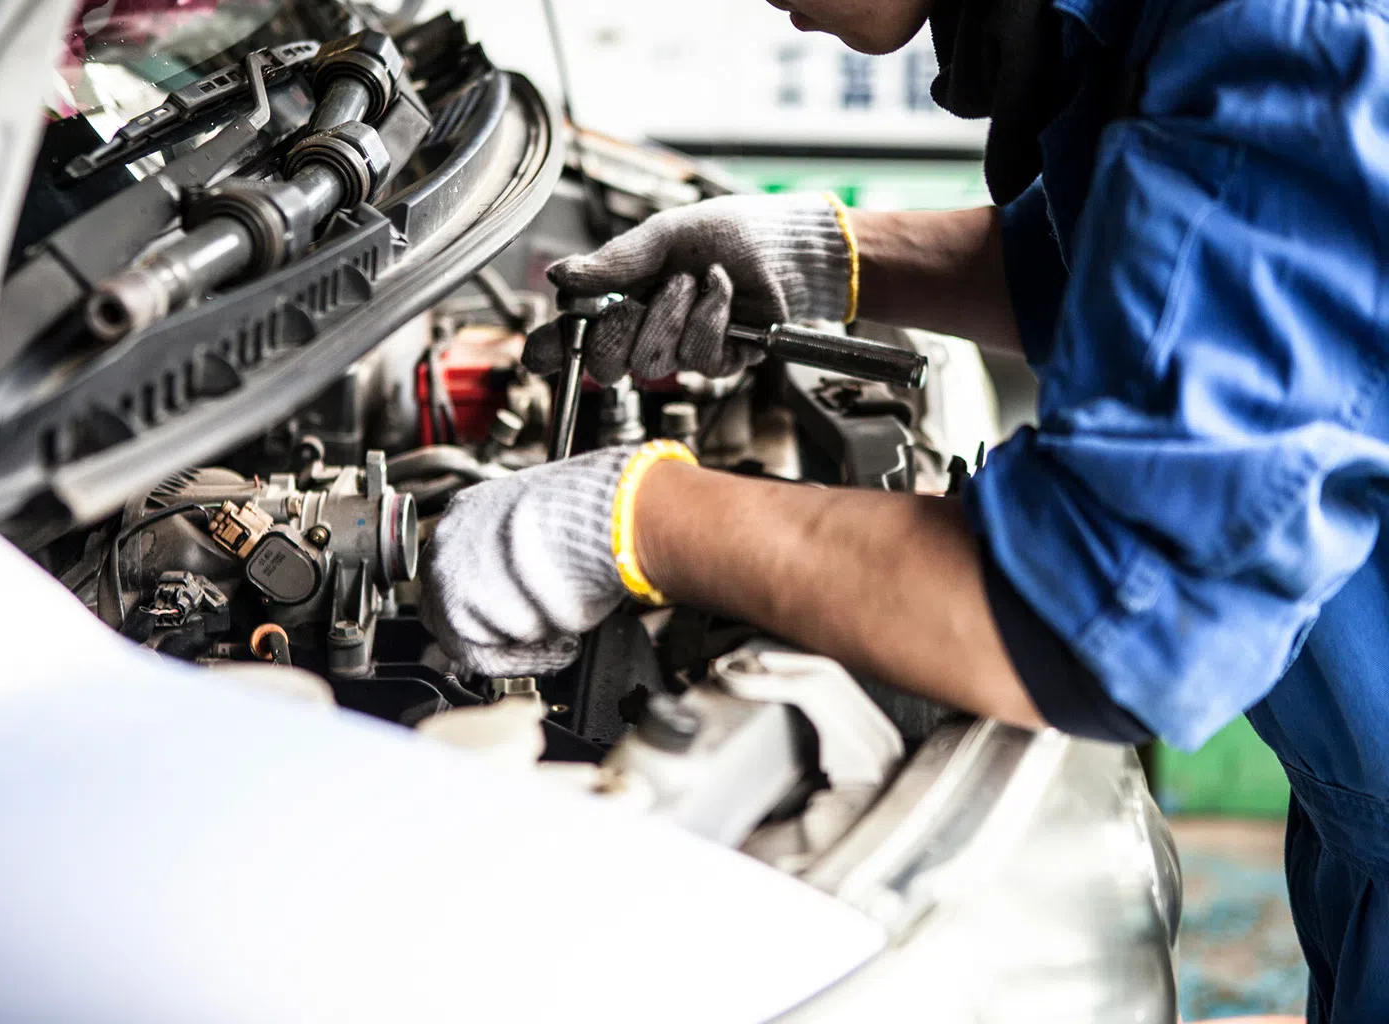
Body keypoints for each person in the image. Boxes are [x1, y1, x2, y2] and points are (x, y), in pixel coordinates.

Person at [420, 0, 1389, 1019]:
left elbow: (1101, 607)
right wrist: (827, 258)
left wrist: (634, 520)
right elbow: (1168, 287)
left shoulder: (1286, 27)